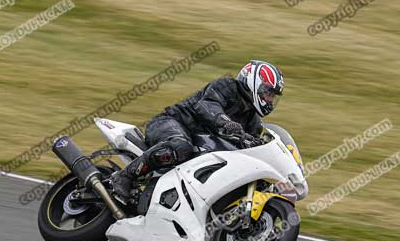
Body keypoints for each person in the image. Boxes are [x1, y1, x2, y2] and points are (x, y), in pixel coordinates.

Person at [110, 60, 285, 202]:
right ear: (253, 83)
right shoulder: (227, 87)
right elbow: (206, 106)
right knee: (180, 146)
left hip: (199, 148)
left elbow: (250, 149)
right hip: (170, 123)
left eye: (272, 95)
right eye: (268, 92)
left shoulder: (252, 119)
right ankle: (125, 176)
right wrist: (227, 123)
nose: (269, 99)